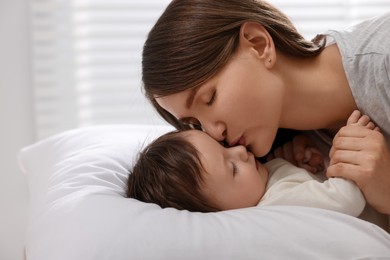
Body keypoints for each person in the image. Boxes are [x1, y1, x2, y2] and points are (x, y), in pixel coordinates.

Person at [141, 0, 390, 215]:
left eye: (210, 98)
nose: (213, 134)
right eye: (194, 124)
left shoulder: (383, 62)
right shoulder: (280, 167)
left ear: (258, 44)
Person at [127, 110, 388, 230]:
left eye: (223, 147)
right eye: (232, 168)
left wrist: (302, 163)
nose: (239, 152)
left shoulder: (261, 179)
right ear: (223, 214)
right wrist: (351, 147)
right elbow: (345, 200)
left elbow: (304, 186)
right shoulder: (277, 203)